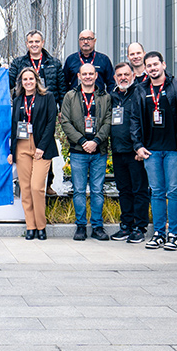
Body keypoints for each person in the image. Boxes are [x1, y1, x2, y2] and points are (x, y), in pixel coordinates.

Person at [131, 52, 177, 251]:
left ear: (163, 64)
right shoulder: (140, 89)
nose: (153, 68)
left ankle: (174, 234)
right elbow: (135, 119)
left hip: (173, 150)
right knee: (156, 192)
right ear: (145, 68)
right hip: (151, 150)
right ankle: (159, 233)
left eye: (156, 64)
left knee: (173, 191)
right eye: (149, 65)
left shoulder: (176, 86)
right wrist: (138, 145)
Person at [59, 63, 112, 241]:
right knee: (79, 190)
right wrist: (82, 141)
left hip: (99, 151)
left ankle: (97, 227)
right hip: (78, 151)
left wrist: (96, 141)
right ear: (79, 76)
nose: (88, 76)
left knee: (97, 190)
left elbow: (108, 121)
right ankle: (81, 226)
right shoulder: (70, 96)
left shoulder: (105, 97)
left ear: (96, 75)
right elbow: (65, 122)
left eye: (91, 73)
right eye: (84, 74)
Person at [8, 67, 58, 240]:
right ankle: (30, 226)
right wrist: (11, 152)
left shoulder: (47, 97)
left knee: (37, 187)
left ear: (37, 80)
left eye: (31, 79)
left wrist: (41, 147)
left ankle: (41, 226)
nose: (28, 82)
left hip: (41, 147)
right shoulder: (18, 99)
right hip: (22, 146)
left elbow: (51, 123)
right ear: (21, 83)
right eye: (25, 79)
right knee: (26, 188)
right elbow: (14, 126)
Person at [108, 61, 149, 243]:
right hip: (118, 151)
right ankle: (126, 225)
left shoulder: (140, 93)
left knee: (139, 190)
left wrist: (140, 147)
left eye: (126, 74)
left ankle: (140, 227)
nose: (123, 78)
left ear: (133, 75)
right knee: (123, 190)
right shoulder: (113, 96)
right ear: (115, 78)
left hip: (135, 152)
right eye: (119, 75)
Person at [8, 30, 64, 106]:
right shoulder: (18, 63)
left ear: (42, 43)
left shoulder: (54, 63)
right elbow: (9, 83)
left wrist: (62, 109)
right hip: (25, 106)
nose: (34, 44)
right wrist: (3, 71)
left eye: (37, 41)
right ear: (27, 44)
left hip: (48, 106)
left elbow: (62, 89)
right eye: (31, 42)